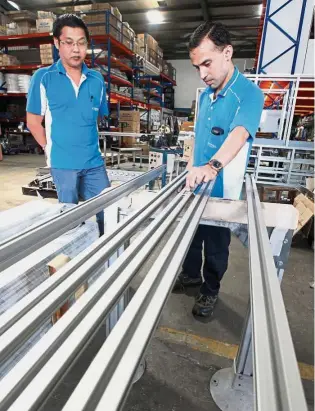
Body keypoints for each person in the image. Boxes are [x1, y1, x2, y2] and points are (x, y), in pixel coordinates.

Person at [174, 22, 264, 317]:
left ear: (228, 53)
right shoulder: (204, 95)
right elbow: (198, 138)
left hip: (223, 190)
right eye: (197, 66)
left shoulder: (249, 94)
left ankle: (209, 290)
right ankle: (191, 276)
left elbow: (239, 133)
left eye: (207, 63)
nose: (202, 73)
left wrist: (212, 166)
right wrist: (189, 167)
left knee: (215, 247)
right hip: (196, 184)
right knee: (190, 236)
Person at [26, 14, 110, 236]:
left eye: (81, 43)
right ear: (56, 43)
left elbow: (98, 116)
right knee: (70, 222)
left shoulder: (97, 80)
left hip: (93, 162)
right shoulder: (43, 78)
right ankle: (74, 265)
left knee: (108, 213)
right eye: (69, 42)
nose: (76, 49)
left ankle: (108, 263)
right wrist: (50, 148)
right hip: (63, 165)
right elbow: (33, 121)